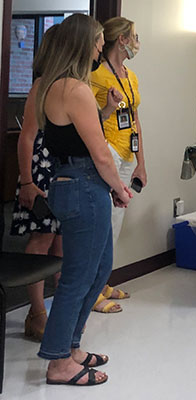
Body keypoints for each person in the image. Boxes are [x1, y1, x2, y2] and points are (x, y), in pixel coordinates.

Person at [36, 14, 132, 386]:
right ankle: (59, 361)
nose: (99, 48)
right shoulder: (74, 89)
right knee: (78, 277)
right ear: (81, 44)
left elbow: (76, 137)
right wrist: (119, 189)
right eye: (95, 41)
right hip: (83, 185)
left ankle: (71, 346)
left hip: (73, 183)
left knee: (98, 269)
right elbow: (100, 154)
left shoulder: (55, 87)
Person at [90, 16, 146, 313]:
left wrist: (141, 162)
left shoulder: (130, 76)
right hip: (107, 151)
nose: (137, 41)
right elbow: (91, 116)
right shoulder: (97, 76)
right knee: (103, 225)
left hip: (127, 154)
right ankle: (94, 291)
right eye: (134, 36)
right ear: (122, 39)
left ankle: (103, 281)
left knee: (115, 223)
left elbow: (135, 120)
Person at [10, 24, 62, 342]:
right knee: (41, 241)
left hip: (60, 171)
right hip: (39, 172)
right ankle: (36, 313)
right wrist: (27, 182)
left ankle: (57, 310)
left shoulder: (68, 85)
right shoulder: (41, 85)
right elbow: (27, 136)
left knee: (60, 244)